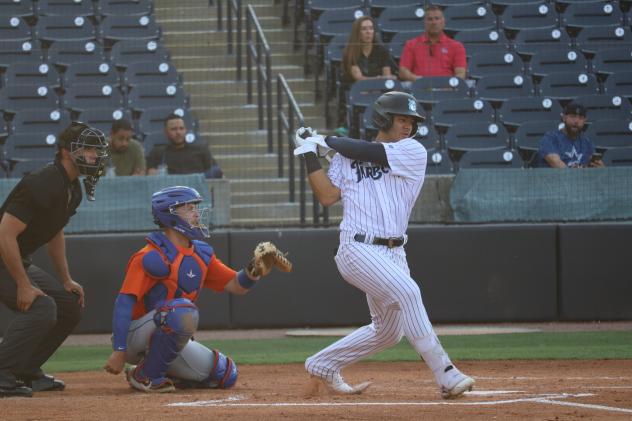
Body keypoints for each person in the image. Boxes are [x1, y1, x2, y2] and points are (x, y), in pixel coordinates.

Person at [292, 91, 475, 398]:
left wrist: (323, 140)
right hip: (357, 248)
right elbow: (326, 196)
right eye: (402, 119)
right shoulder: (346, 156)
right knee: (408, 291)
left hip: (394, 251)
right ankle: (445, 373)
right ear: (383, 119)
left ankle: (322, 363)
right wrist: (309, 152)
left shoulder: (413, 151)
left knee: (389, 333)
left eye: (411, 122)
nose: (408, 126)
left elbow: (369, 151)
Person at [103, 186, 291, 393]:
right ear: (170, 215)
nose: (196, 213)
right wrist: (119, 350)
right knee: (181, 311)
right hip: (134, 336)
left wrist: (254, 269)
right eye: (189, 208)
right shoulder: (149, 256)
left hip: (169, 332)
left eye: (195, 207)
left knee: (225, 374)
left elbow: (237, 285)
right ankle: (146, 376)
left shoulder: (201, 254)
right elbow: (123, 303)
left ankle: (155, 369)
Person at [0, 122, 109, 398]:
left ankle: (25, 369)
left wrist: (65, 279)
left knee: (68, 305)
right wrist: (23, 284)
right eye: (89, 150)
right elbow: (4, 233)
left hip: (14, 259)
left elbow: (55, 232)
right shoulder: (44, 181)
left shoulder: (72, 188)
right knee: (42, 307)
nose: (95, 156)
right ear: (67, 152)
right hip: (4, 253)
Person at [336, 16, 395, 137]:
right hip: (358, 91)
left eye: (371, 28)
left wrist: (378, 81)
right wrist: (378, 79)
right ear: (357, 33)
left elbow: (387, 77)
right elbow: (360, 80)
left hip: (379, 91)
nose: (368, 32)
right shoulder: (350, 52)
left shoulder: (382, 51)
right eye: (364, 29)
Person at [398, 5, 467, 82]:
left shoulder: (456, 46)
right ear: (425, 23)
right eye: (430, 19)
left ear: (443, 22)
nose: (434, 22)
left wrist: (448, 86)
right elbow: (403, 72)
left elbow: (460, 74)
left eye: (437, 18)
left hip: (447, 90)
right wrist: (421, 82)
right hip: (419, 90)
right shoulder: (411, 44)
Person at [146, 114, 223, 179]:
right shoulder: (158, 153)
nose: (178, 132)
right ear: (166, 132)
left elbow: (216, 172)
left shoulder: (201, 150)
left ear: (186, 130)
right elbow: (150, 176)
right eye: (174, 129)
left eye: (181, 128)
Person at [538, 101, 605, 168]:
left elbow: (595, 165)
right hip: (557, 177)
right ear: (564, 117)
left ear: (584, 120)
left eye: (580, 118)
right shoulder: (550, 138)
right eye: (573, 116)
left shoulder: (587, 142)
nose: (576, 121)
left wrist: (601, 169)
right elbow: (556, 164)